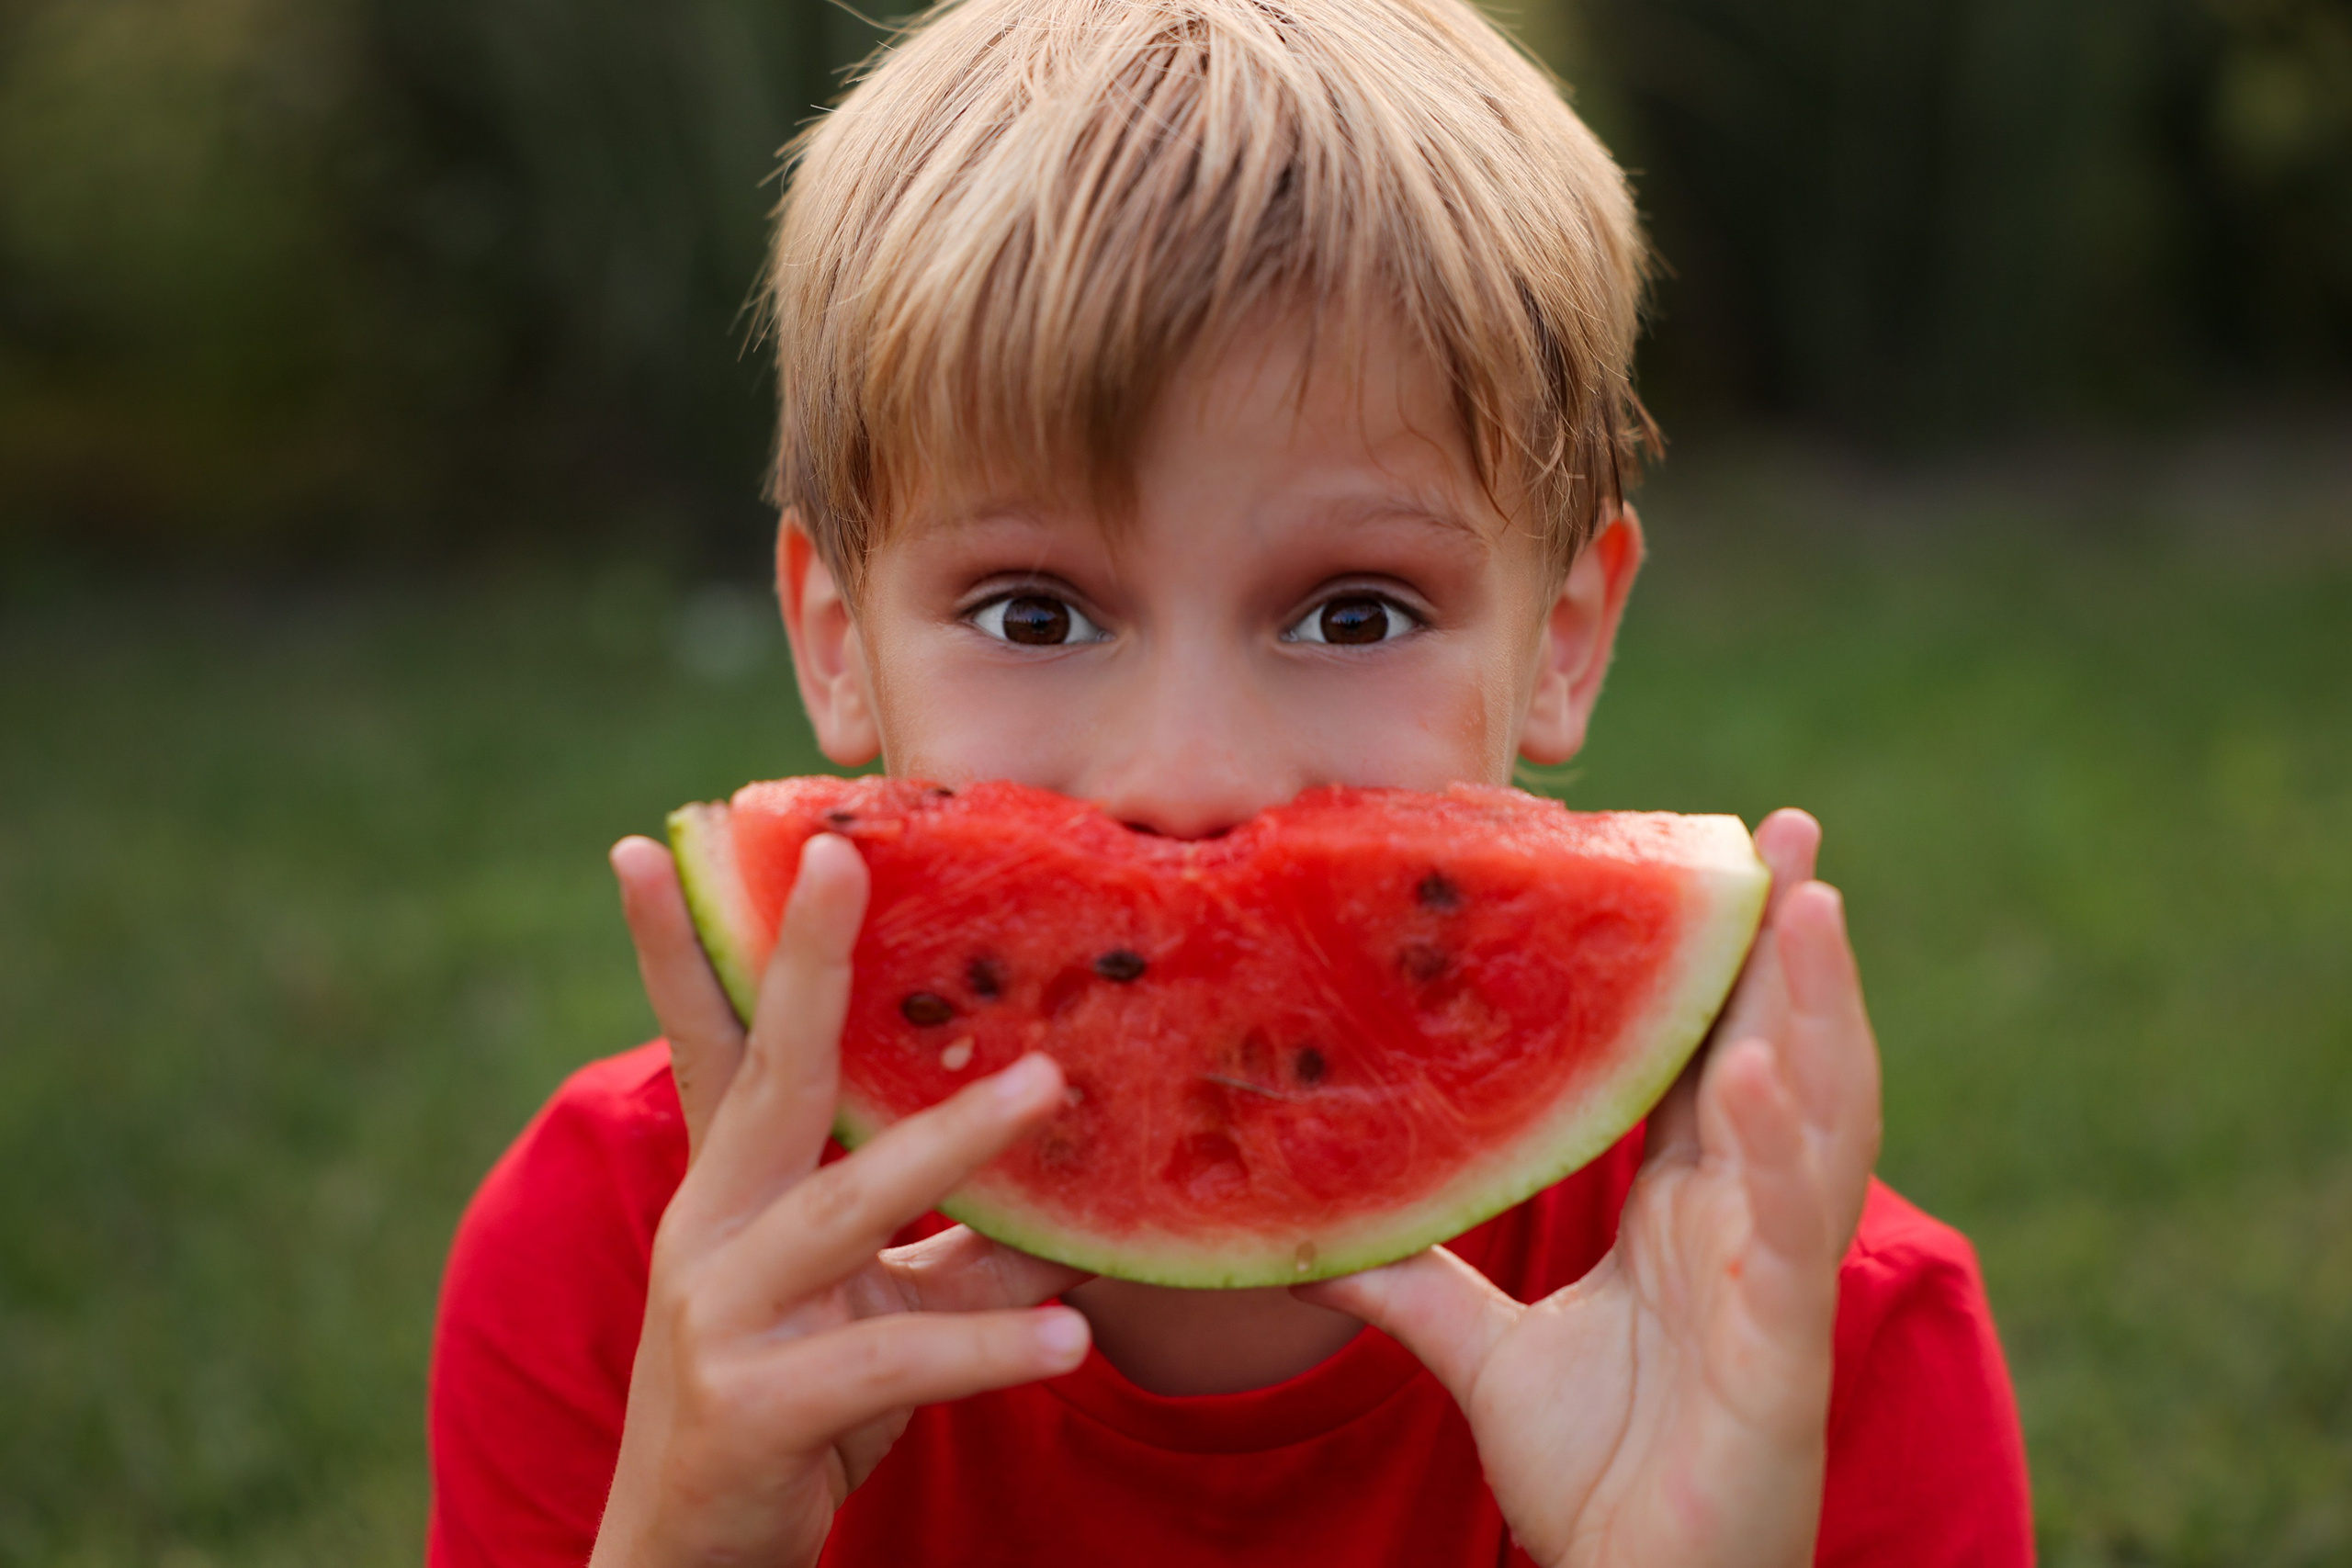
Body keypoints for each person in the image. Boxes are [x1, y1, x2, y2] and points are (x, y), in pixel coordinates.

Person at [425, 1, 2034, 1562]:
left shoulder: (1820, 1344)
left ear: (1565, 640)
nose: (1189, 780)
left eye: (1354, 613)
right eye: (1035, 613)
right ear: (835, 640)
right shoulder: (617, 1265)